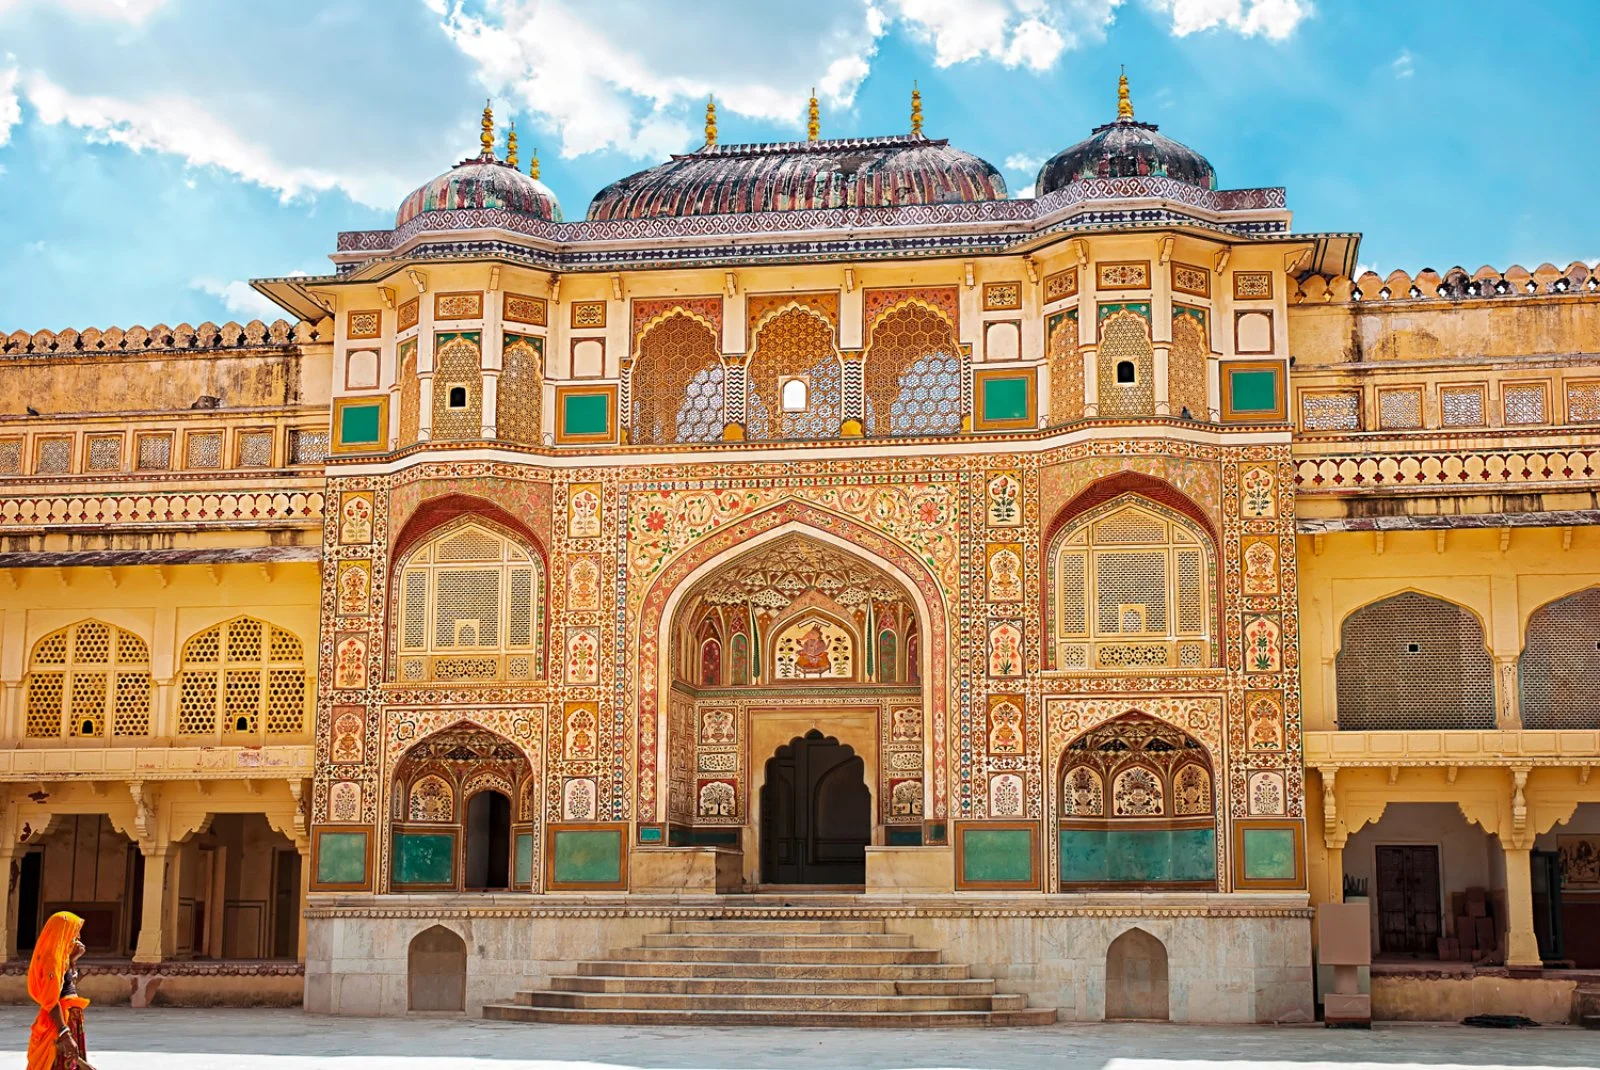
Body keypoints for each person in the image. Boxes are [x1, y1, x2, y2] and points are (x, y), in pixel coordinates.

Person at [27, 911, 96, 1070]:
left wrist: (72, 961)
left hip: (69, 1019)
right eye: (74, 931)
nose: (77, 936)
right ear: (62, 931)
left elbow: (66, 985)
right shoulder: (51, 959)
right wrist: (64, 1033)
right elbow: (51, 1000)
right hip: (60, 1022)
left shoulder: (61, 957)